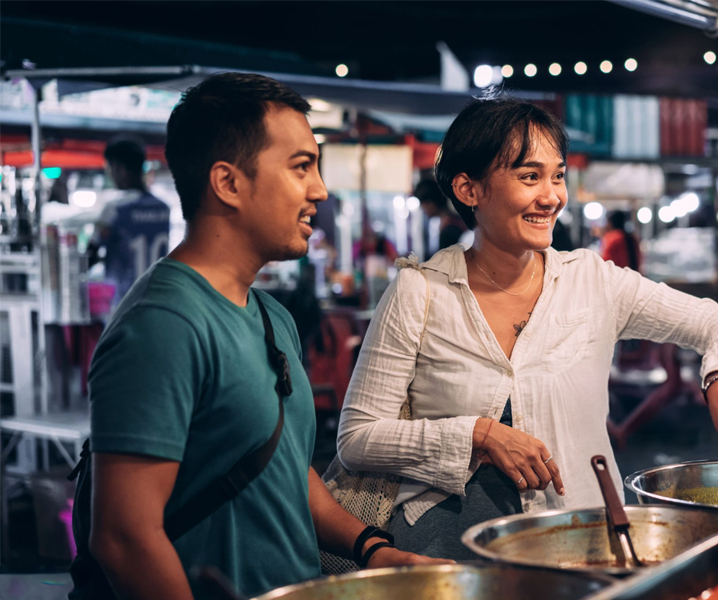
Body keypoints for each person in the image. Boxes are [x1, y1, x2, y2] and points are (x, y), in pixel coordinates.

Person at [336, 96, 718, 560]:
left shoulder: (593, 281)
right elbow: (357, 438)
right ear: (469, 189)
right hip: (446, 553)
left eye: (558, 175)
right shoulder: (418, 291)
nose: (552, 196)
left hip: (581, 546)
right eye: (530, 176)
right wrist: (476, 434)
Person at [83, 72, 446, 600]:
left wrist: (372, 547)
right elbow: (123, 538)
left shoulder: (270, 315)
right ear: (228, 183)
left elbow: (286, 472)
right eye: (301, 167)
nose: (319, 190)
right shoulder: (162, 324)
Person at [89, 137, 171, 309]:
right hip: (158, 300)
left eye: (110, 169)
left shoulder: (114, 210)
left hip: (124, 303)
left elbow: (90, 254)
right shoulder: (163, 209)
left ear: (120, 169)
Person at [415, 178, 466, 259]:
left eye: (423, 204)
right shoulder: (452, 221)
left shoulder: (451, 228)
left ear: (431, 203)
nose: (423, 209)